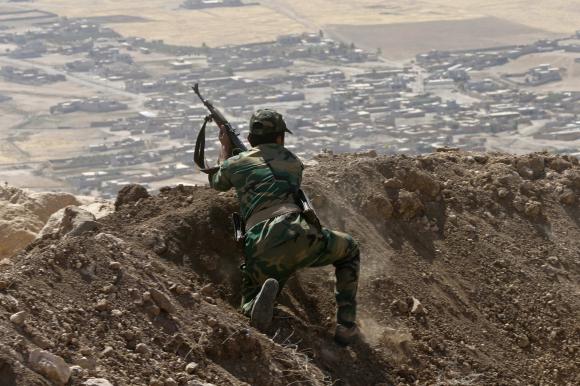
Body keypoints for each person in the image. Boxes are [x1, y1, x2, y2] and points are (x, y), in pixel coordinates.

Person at [209, 109, 360, 345]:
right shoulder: (293, 162)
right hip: (300, 233)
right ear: (281, 138)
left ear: (249, 139)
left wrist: (225, 147)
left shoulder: (235, 164)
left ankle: (255, 304)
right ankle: (346, 326)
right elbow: (273, 175)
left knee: (249, 295)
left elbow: (217, 182)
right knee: (349, 248)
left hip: (260, 243)